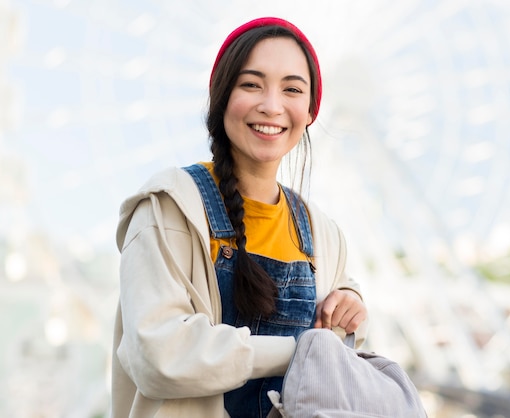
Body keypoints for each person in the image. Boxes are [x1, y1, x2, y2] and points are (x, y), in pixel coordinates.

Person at [110, 16, 368, 418]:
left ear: (310, 110)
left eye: (292, 89)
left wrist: (352, 305)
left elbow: (346, 341)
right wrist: (299, 351)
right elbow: (158, 355)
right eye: (251, 84)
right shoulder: (170, 208)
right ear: (222, 95)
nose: (272, 105)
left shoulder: (323, 233)